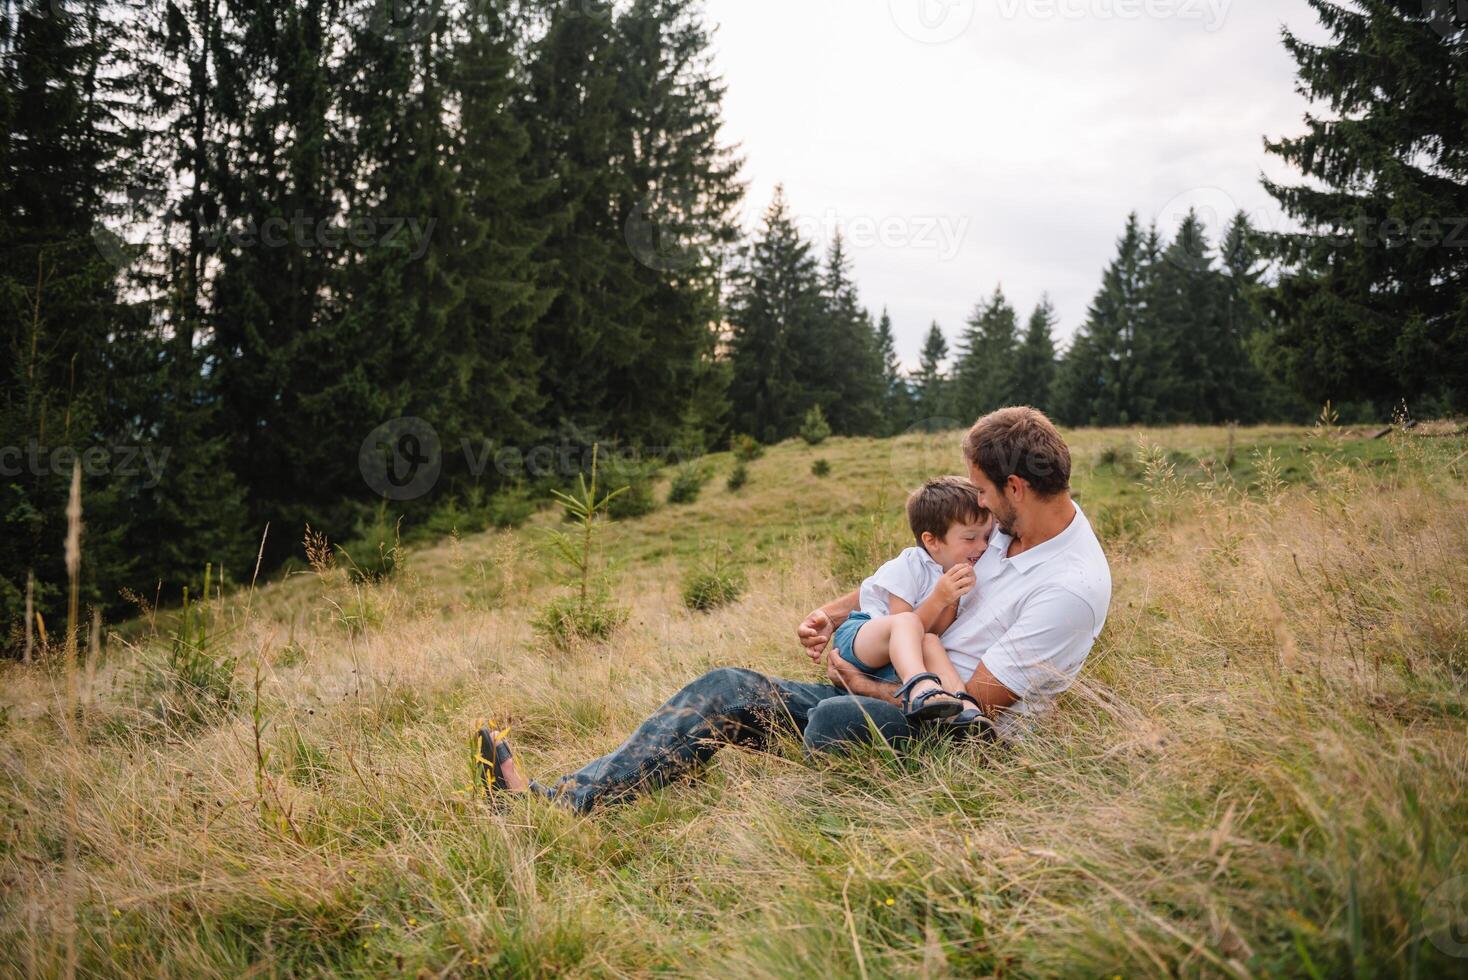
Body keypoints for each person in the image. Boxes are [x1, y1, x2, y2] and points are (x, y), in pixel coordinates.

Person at [474, 407, 1111, 814]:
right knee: (727, 687)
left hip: (952, 738)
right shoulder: (1002, 528)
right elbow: (919, 563)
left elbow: (969, 709)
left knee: (834, 717)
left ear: (1016, 489)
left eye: (980, 489)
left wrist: (860, 680)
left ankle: (727, 753)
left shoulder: (1069, 588)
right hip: (896, 678)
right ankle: (551, 804)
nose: (974, 501)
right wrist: (835, 616)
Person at [829, 476, 993, 726]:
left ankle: (965, 707)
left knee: (931, 642)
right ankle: (920, 686)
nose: (982, 546)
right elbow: (901, 624)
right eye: (970, 538)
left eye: (986, 537)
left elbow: (928, 632)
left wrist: (950, 601)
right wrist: (939, 598)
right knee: (907, 623)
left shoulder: (953, 574)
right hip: (862, 638)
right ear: (932, 541)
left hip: (895, 659)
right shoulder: (909, 565)